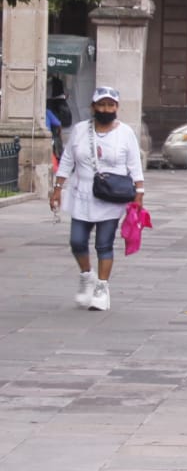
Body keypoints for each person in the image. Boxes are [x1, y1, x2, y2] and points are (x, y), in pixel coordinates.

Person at [48, 86, 145, 312]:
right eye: (101, 104)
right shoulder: (81, 130)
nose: (106, 109)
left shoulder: (125, 133)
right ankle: (86, 276)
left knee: (104, 243)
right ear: (93, 107)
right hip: (81, 194)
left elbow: (135, 165)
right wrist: (57, 188)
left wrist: (139, 194)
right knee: (77, 241)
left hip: (111, 197)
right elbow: (67, 160)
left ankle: (102, 288)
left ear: (116, 108)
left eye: (110, 105)